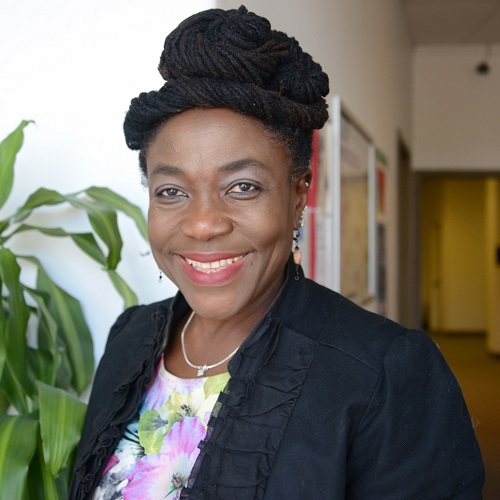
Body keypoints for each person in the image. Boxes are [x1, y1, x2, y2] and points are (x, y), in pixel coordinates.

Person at [70, 6, 484, 499]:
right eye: (171, 192)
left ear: (297, 196)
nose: (202, 224)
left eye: (242, 186)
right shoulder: (130, 338)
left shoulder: (386, 372)